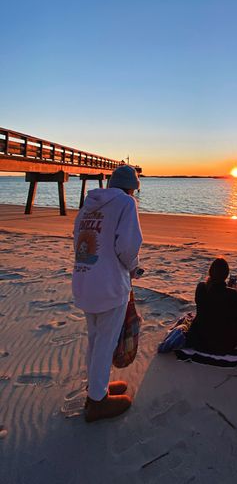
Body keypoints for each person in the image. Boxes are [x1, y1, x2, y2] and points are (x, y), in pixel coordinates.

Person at [72, 164, 142, 423]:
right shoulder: (126, 203)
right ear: (132, 188)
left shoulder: (89, 205)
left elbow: (78, 240)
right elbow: (127, 245)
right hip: (109, 285)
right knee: (106, 342)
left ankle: (96, 388)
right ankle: (97, 402)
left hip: (84, 280)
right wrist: (133, 268)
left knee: (95, 339)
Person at [186, 258, 237, 354]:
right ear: (226, 275)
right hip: (224, 343)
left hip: (200, 340)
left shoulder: (201, 287)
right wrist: (233, 292)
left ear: (210, 272)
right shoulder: (231, 293)